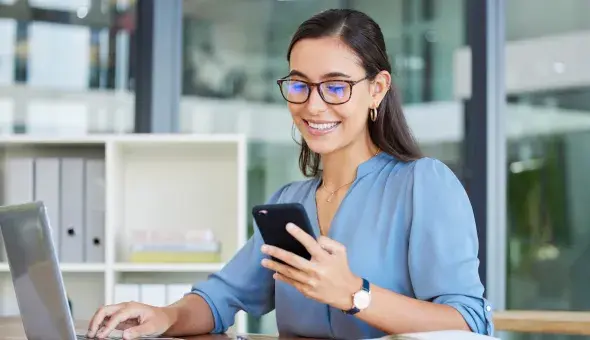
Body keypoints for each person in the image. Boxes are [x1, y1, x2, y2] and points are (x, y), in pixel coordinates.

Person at [87, 8, 494, 340]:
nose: (313, 106)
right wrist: (165, 317)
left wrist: (356, 294)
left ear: (378, 88)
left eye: (335, 87)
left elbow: (469, 321)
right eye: (300, 85)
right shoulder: (289, 201)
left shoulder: (422, 184)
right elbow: (221, 298)